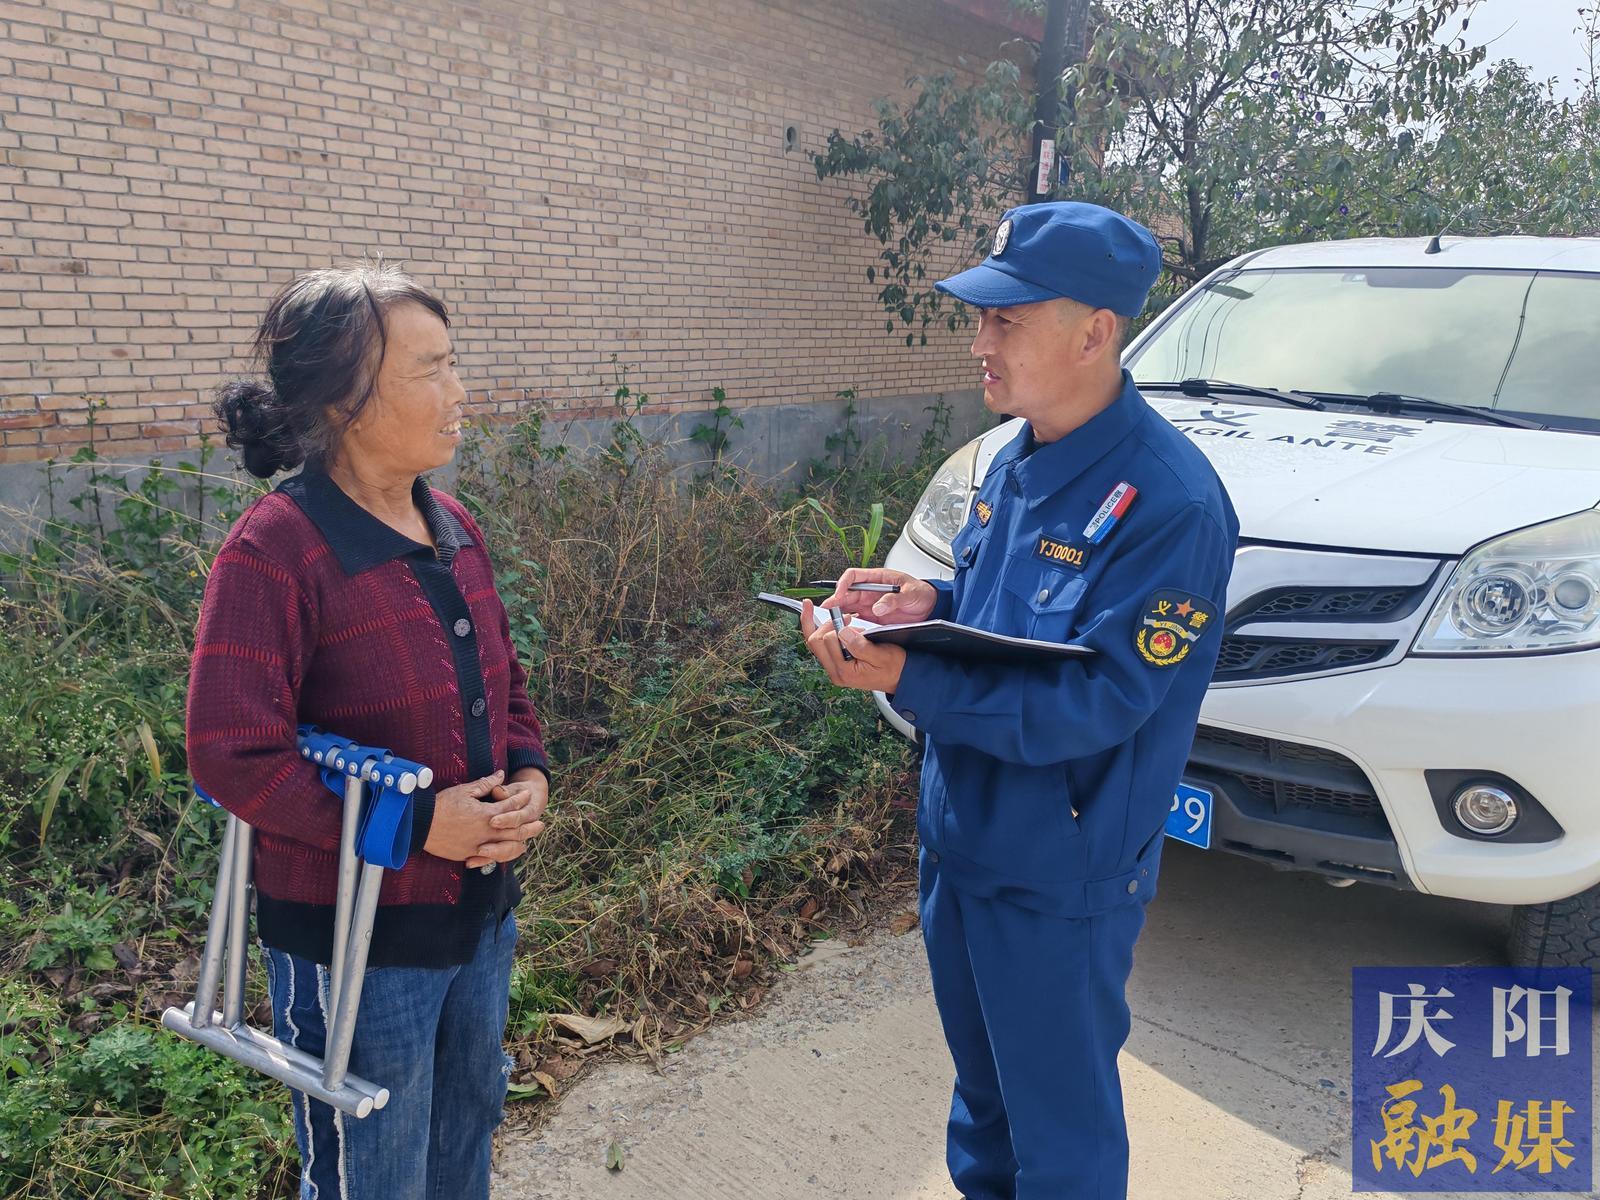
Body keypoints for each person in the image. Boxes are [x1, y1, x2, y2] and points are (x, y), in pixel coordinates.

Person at [802, 201, 1239, 1200]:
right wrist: (926, 604)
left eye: (1007, 319)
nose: (979, 341)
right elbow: (1009, 622)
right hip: (962, 841)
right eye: (980, 317)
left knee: (1060, 1137)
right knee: (986, 1111)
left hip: (1058, 873)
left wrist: (908, 675)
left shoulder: (1170, 502)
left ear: (1095, 331)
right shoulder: (1011, 458)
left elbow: (1094, 698)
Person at [188, 264, 551, 1199]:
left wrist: (530, 772)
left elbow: (506, 691)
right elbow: (232, 755)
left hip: (479, 910)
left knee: (467, 1119)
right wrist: (418, 825)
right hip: (354, 935)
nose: (459, 390)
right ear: (347, 402)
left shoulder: (452, 525)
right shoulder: (274, 551)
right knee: (372, 1166)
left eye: (452, 363)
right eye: (430, 369)